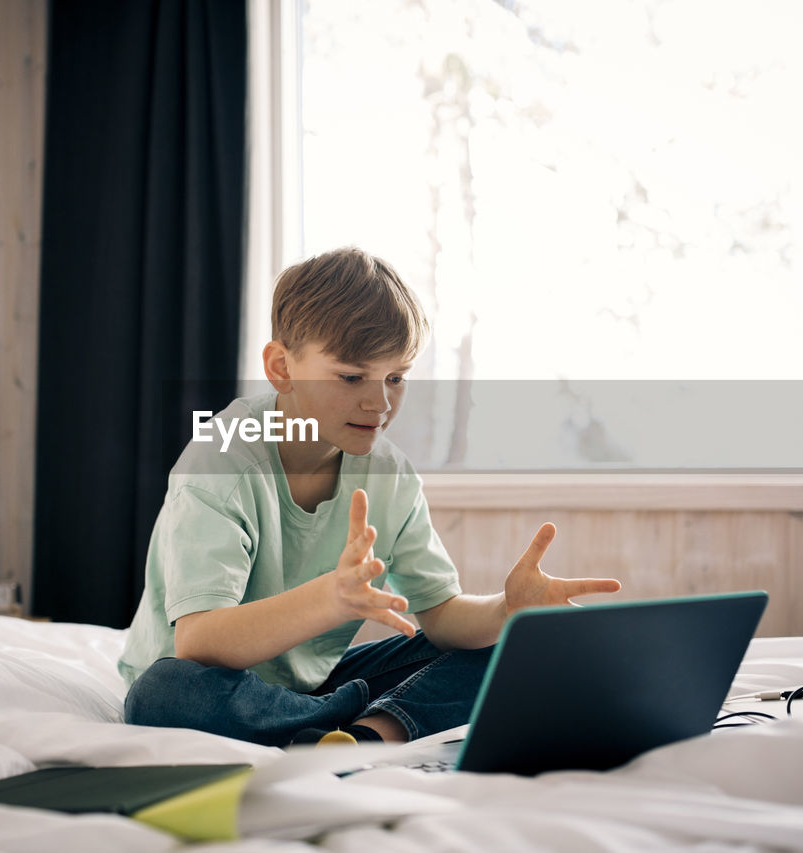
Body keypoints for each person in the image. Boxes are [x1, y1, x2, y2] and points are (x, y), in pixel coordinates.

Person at [118, 246, 621, 747]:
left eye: (396, 377)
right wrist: (332, 599)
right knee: (162, 696)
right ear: (281, 367)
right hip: (202, 677)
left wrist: (505, 611)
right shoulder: (219, 459)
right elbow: (199, 642)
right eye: (352, 376)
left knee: (502, 649)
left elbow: (442, 616)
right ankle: (355, 718)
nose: (379, 403)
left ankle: (364, 734)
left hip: (314, 685)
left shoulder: (389, 473)